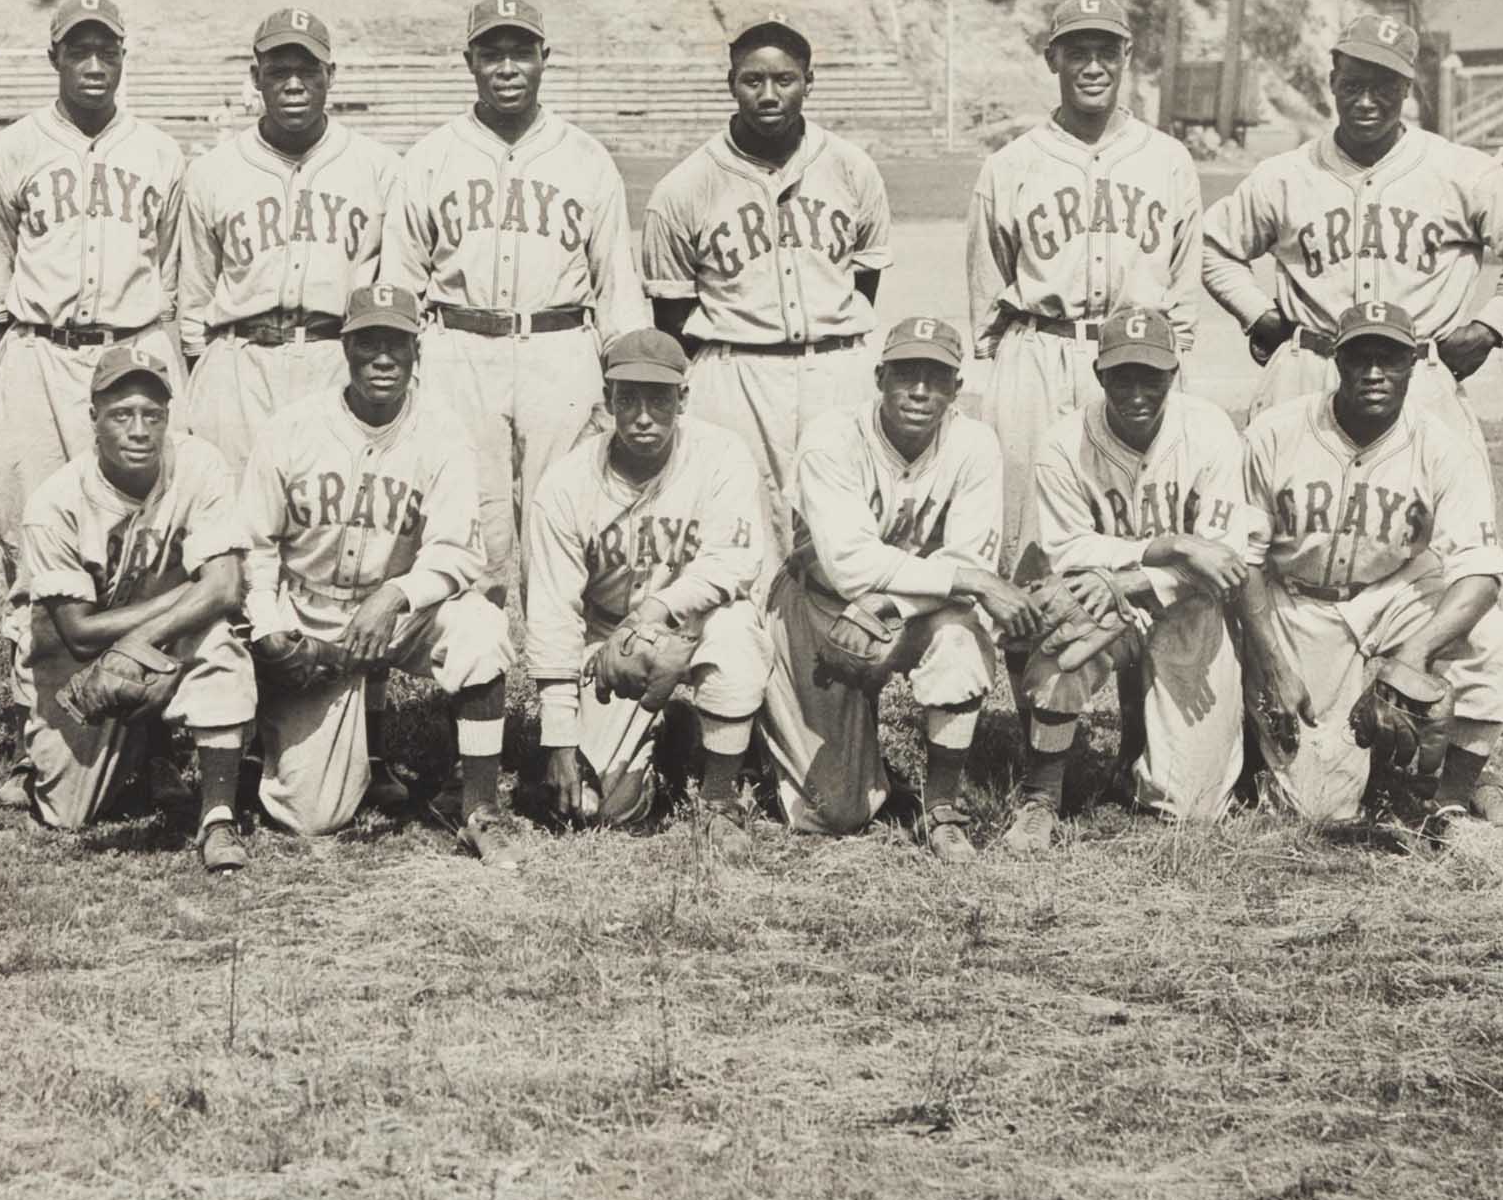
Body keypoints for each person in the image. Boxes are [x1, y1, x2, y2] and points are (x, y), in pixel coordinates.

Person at [1198, 12, 1503, 833]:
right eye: (1354, 79)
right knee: (1281, 550)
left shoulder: (1458, 170)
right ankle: (1275, 741)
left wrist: (1493, 322)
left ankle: (1458, 773)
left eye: (1387, 82)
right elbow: (1217, 246)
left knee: (1440, 571)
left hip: (1417, 371)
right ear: (1332, 82)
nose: (1368, 96)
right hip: (1310, 365)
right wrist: (1261, 315)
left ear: (1410, 90)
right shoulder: (1287, 175)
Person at [233, 284, 515, 855]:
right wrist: (268, 628)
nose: (382, 358)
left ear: (417, 352)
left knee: (481, 630)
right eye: (368, 343)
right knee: (312, 817)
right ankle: (275, 740)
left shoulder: (443, 432)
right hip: (310, 613)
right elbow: (254, 546)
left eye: (397, 344)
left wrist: (397, 595)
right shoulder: (291, 428)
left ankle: (480, 808)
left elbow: (458, 551)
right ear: (344, 347)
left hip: (397, 616)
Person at [378, 0, 644, 592]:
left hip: (560, 348)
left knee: (569, 514)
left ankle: (565, 674)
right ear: (468, 60)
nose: (506, 68)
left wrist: (620, 379)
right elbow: (399, 280)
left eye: (520, 53)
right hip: (459, 346)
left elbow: (617, 284)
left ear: (544, 57)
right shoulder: (429, 157)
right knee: (471, 520)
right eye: (491, 53)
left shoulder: (586, 157)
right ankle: (482, 672)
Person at [1236, 300, 1503, 836]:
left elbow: (1482, 572)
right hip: (1298, 601)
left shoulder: (1443, 447)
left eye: (1390, 359)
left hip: (1394, 594)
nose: (1374, 373)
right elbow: (1244, 560)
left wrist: (1412, 656)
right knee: (1317, 809)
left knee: (1493, 642)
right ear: (1336, 360)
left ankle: (1448, 796)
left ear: (1414, 363)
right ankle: (1315, 758)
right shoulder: (1274, 433)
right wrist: (1272, 664)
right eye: (1360, 357)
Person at [756, 315, 1041, 848]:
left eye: (936, 377)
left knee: (961, 636)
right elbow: (848, 564)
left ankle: (941, 807)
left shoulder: (975, 444)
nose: (919, 390)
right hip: (820, 609)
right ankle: (779, 738)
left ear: (957, 388)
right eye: (906, 373)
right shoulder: (833, 437)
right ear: (880, 376)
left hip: (908, 612)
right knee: (835, 813)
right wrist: (968, 580)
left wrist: (891, 604)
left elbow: (965, 552)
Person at [966, 0, 1203, 581]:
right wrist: (1007, 359)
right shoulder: (1011, 163)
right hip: (1038, 349)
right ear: (1053, 60)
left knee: (1145, 517)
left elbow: (1185, 283)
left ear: (1127, 56)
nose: (1092, 66)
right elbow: (987, 282)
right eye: (1077, 52)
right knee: (1024, 527)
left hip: (1137, 358)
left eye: (1106, 51)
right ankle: (1029, 664)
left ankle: (1133, 665)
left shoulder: (1168, 159)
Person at [1018, 304, 1263, 837]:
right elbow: (1067, 550)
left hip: (1187, 604)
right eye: (1122, 376)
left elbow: (1222, 559)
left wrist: (1131, 578)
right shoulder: (1063, 443)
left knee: (1193, 807)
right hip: (1101, 596)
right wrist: (1171, 544)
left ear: (1173, 373)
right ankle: (1041, 796)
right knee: (1065, 635)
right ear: (1099, 373)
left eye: (1150, 376)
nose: (1136, 391)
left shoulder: (1209, 429)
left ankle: (1149, 755)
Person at [8, 341, 256, 869]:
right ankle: (144, 746)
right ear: (93, 418)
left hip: (174, 638)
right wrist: (188, 594)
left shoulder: (199, 463)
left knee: (218, 642)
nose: (139, 430)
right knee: (68, 814)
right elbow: (76, 631)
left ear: (169, 416)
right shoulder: (55, 502)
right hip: (81, 664)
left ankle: (217, 818)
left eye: (152, 414)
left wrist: (152, 640)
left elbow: (229, 588)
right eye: (122, 415)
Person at [522, 329, 774, 829]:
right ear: (607, 398)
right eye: (628, 396)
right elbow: (552, 610)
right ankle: (675, 735)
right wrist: (559, 739)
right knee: (602, 812)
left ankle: (720, 798)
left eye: (658, 397)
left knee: (737, 632)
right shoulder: (566, 484)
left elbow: (734, 561)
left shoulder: (722, 455)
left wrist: (655, 615)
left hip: (695, 626)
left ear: (682, 397)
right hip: (609, 641)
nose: (642, 414)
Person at [0, 0, 185, 571]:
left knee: (144, 519)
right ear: (54, 58)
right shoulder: (8, 150)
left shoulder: (160, 153)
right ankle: (34, 645)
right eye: (78, 52)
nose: (94, 67)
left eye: (106, 52)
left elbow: (167, 269)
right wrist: (28, 342)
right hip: (39, 350)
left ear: (123, 57)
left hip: (132, 345)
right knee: (31, 512)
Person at [643, 19, 893, 506]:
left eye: (785, 79)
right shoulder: (685, 185)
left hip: (836, 367)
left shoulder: (851, 167)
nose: (769, 94)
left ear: (809, 82)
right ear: (731, 83)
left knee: (843, 525)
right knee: (742, 528)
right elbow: (671, 315)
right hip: (737, 374)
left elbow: (864, 277)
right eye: (752, 80)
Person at [172, 7, 403, 473]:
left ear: (330, 75)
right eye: (278, 72)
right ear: (256, 78)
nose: (293, 84)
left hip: (334, 359)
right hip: (239, 363)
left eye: (308, 70)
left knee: (326, 521)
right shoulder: (212, 171)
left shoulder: (378, 168)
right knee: (235, 520)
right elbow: (194, 300)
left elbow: (393, 293)